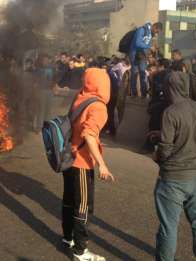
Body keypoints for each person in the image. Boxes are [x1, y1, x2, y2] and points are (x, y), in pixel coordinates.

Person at [153, 71, 196, 261]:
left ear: (169, 88)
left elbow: (166, 149)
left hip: (174, 179)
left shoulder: (170, 112)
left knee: (169, 227)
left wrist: (157, 154)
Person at [62, 68, 114, 261]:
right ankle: (80, 251)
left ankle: (67, 238)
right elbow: (89, 136)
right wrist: (102, 165)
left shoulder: (80, 96)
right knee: (83, 206)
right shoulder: (98, 107)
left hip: (68, 158)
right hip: (82, 163)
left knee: (69, 201)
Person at [129, 22, 162, 97]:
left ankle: (143, 95)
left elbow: (146, 45)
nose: (156, 34)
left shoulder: (150, 34)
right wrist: (149, 47)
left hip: (142, 56)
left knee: (143, 74)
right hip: (134, 55)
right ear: (154, 27)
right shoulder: (142, 30)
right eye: (156, 31)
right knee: (134, 74)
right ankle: (134, 94)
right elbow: (137, 43)